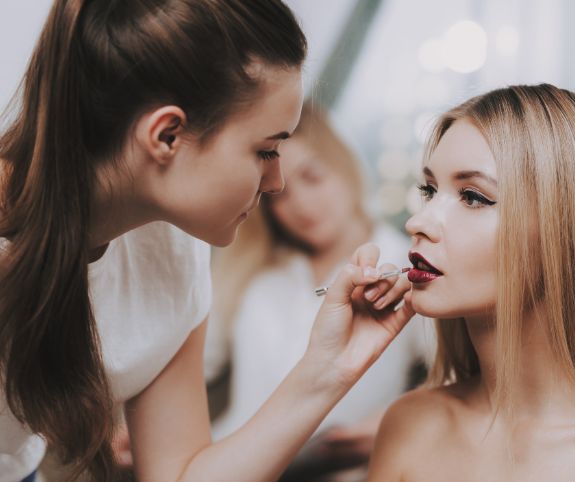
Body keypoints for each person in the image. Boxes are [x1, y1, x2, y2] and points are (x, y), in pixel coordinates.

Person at [0, 1, 414, 481]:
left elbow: (180, 474)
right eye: (265, 151)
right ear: (168, 135)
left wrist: (327, 371)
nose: (276, 182)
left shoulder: (177, 248)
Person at [367, 84, 575, 481]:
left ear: (568, 234)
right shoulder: (411, 424)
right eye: (430, 190)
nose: (417, 222)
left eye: (472, 196)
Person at [206, 102, 429, 481]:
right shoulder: (254, 268)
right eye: (280, 194)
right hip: (224, 462)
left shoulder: (405, 270)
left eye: (312, 176)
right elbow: (198, 363)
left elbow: (459, 376)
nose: (301, 205)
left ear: (343, 166)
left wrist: (395, 425)